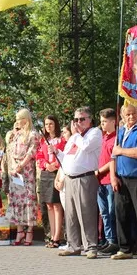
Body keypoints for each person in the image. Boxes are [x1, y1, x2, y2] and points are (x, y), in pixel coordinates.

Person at [56, 107, 102, 258]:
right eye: (76, 119)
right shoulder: (74, 138)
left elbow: (87, 146)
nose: (78, 122)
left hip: (85, 178)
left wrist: (75, 135)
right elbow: (66, 158)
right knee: (70, 214)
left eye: (82, 119)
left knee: (86, 213)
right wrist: (57, 152)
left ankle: (91, 246)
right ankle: (73, 245)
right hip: (70, 178)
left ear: (90, 119)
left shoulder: (94, 132)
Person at [111, 105, 137, 260]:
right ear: (122, 116)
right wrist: (113, 176)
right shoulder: (120, 131)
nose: (131, 117)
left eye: (133, 113)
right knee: (121, 213)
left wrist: (121, 151)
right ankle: (125, 248)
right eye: (127, 114)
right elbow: (113, 155)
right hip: (121, 177)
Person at [6, 109, 38, 245]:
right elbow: (11, 151)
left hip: (27, 171)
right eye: (17, 119)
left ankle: (29, 230)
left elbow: (31, 152)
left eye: (20, 119)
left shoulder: (33, 134)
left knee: (28, 199)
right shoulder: (17, 134)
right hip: (15, 171)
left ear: (26, 119)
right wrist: (14, 166)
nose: (17, 121)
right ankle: (19, 231)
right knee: (17, 200)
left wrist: (21, 165)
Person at [37, 115, 65, 248]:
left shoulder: (62, 139)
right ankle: (52, 234)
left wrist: (55, 165)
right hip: (45, 173)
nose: (48, 126)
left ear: (56, 125)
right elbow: (39, 156)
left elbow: (65, 155)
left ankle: (57, 237)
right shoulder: (43, 140)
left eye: (51, 124)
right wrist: (46, 164)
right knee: (48, 204)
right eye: (46, 124)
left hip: (56, 173)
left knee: (57, 205)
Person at [95, 108, 118, 253]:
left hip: (109, 179)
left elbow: (112, 161)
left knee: (111, 211)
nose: (102, 124)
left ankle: (114, 240)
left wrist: (99, 171)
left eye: (104, 121)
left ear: (113, 121)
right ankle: (108, 239)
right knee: (103, 212)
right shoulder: (103, 137)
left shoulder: (117, 138)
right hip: (100, 181)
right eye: (101, 121)